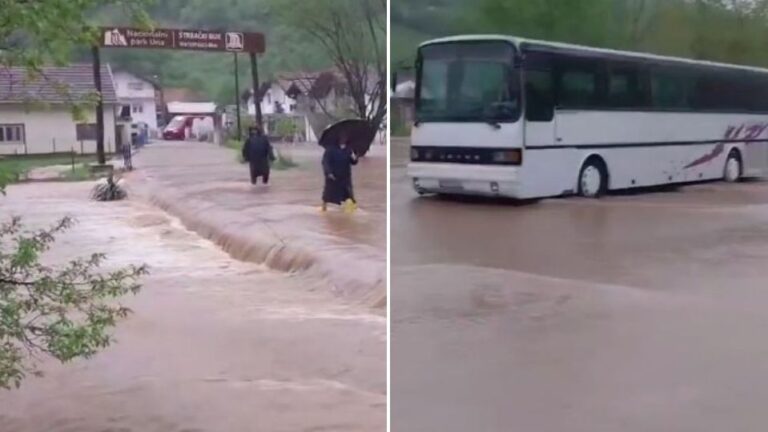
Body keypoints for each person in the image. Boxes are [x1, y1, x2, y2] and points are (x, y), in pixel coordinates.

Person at [321, 134, 358, 212]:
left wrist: (355, 156)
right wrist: (329, 172)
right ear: (338, 137)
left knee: (349, 196)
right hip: (333, 176)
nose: (344, 138)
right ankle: (324, 209)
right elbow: (325, 162)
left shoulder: (349, 149)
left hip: (345, 177)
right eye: (342, 136)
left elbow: (353, 162)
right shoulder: (330, 149)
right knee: (327, 195)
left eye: (345, 136)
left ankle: (349, 212)